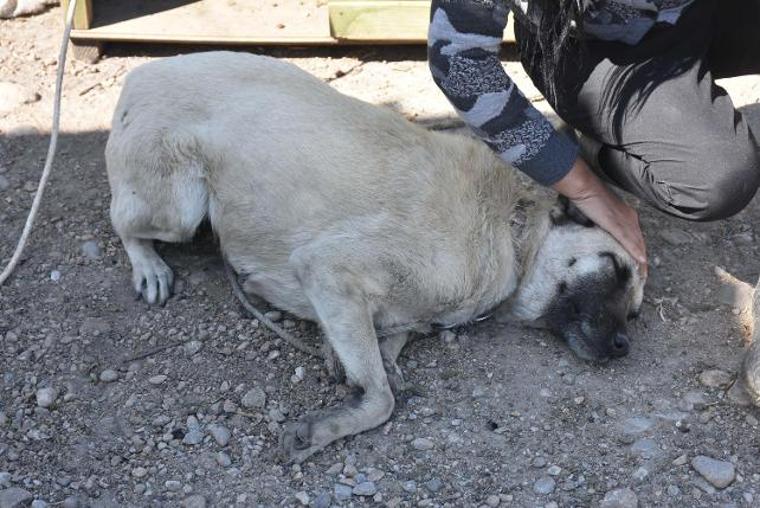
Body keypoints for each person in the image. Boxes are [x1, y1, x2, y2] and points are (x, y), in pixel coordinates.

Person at [428, 0, 760, 276]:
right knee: (716, 181)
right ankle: (594, 151)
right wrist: (584, 188)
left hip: (698, 10)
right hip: (595, 49)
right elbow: (460, 63)